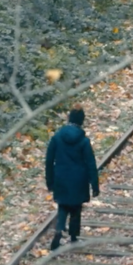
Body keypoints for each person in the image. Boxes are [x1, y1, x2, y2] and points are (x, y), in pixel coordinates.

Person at [45, 105, 100, 251]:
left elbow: (49, 160)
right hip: (79, 179)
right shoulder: (84, 141)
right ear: (82, 121)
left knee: (63, 205)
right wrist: (94, 185)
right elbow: (90, 163)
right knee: (76, 207)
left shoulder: (57, 138)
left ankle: (59, 229)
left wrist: (49, 181)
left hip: (61, 177)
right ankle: (74, 237)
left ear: (69, 118)